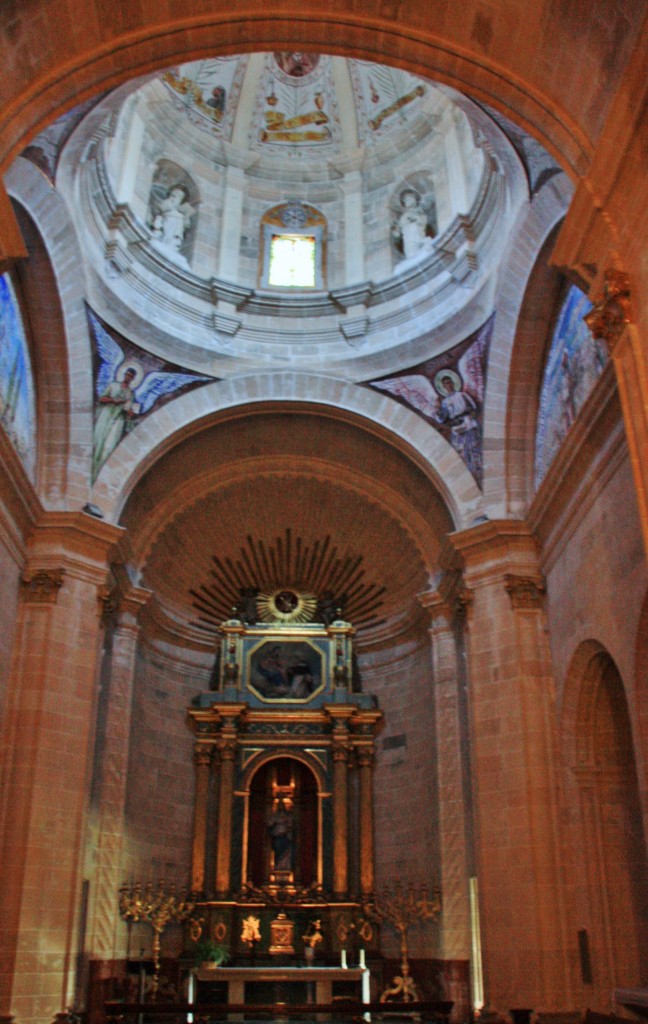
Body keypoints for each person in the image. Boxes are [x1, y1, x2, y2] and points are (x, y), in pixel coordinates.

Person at [434, 369, 482, 481]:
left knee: (474, 446)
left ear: (452, 382)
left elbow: (474, 407)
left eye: (449, 382)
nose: (448, 385)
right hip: (458, 427)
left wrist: (470, 416)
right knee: (461, 451)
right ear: (443, 387)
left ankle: (478, 469)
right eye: (445, 384)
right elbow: (443, 418)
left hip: (468, 423)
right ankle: (468, 475)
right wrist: (439, 411)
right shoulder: (445, 402)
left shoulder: (462, 395)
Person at [93, 366, 138, 476]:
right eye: (127, 374)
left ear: (133, 379)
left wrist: (131, 413)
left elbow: (129, 408)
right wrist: (113, 400)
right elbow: (102, 398)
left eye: (131, 376)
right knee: (97, 440)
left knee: (109, 446)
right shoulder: (113, 385)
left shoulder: (130, 394)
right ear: (124, 374)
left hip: (118, 418)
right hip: (106, 414)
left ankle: (100, 471)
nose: (128, 377)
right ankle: (92, 466)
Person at [151, 184, 194, 253]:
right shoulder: (167, 202)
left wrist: (185, 216)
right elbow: (160, 209)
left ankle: (171, 246)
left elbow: (186, 225)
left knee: (175, 238)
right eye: (174, 195)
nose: (176, 198)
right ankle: (164, 242)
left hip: (177, 222)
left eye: (180, 197)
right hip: (167, 218)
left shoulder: (182, 212)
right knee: (166, 235)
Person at [392, 189, 432, 261]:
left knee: (421, 253)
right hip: (409, 238)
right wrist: (396, 232)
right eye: (405, 200)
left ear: (414, 200)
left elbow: (423, 221)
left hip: (418, 236)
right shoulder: (403, 216)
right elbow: (399, 231)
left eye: (408, 199)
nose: (406, 201)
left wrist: (416, 219)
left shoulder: (419, 211)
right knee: (411, 255)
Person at [267, 798, 294, 871]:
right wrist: (276, 821)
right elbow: (269, 823)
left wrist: (286, 822)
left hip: (285, 838)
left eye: (282, 806)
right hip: (278, 838)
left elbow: (291, 824)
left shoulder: (287, 816)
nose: (281, 808)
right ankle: (278, 867)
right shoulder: (275, 816)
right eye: (279, 806)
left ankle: (285, 868)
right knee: (278, 854)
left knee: (286, 854)